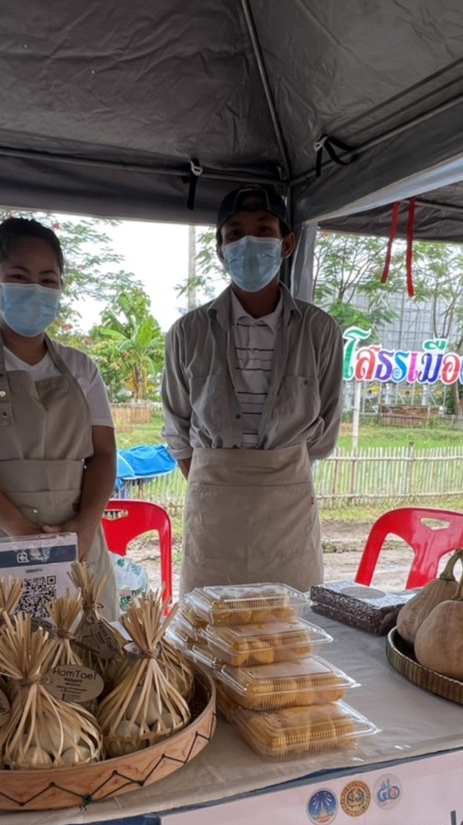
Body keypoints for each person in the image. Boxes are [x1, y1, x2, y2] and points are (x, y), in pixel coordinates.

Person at [0, 216, 118, 614]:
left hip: (74, 540)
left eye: (48, 280)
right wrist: (21, 533)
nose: (35, 289)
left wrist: (84, 527)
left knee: (84, 657)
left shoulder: (81, 366)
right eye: (19, 276)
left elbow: (104, 453)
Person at [161, 184, 343, 592]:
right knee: (208, 629)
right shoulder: (187, 332)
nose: (249, 243)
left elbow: (325, 428)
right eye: (235, 234)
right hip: (213, 503)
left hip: (289, 502)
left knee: (287, 628)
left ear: (287, 243)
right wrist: (215, 481)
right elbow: (177, 426)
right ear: (221, 250)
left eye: (264, 230)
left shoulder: (319, 330)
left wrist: (280, 476)